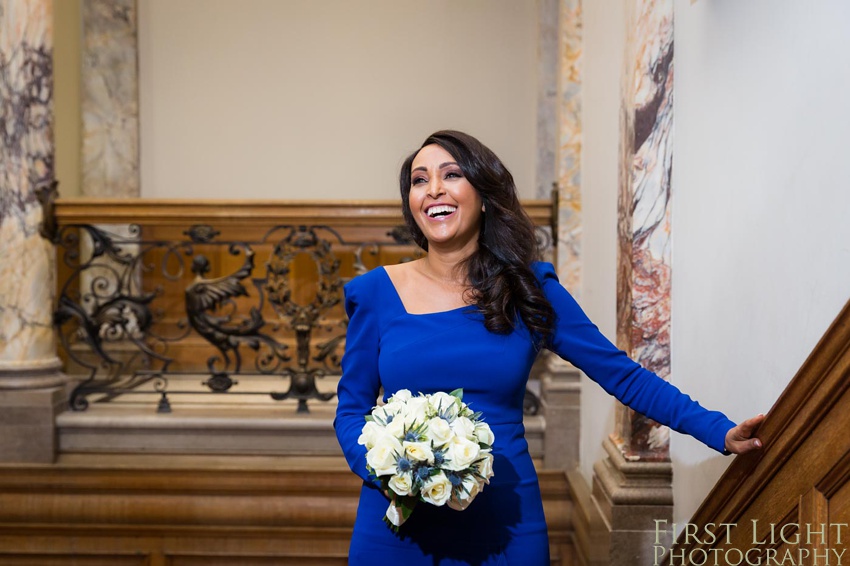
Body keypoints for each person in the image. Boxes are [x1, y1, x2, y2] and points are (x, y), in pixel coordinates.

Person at [333, 130, 764, 565]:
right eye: (419, 180)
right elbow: (351, 410)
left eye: (452, 175)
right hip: (395, 529)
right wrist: (388, 468)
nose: (434, 190)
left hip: (503, 524)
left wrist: (717, 430)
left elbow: (621, 374)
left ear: (483, 195)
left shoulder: (528, 289)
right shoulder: (375, 292)